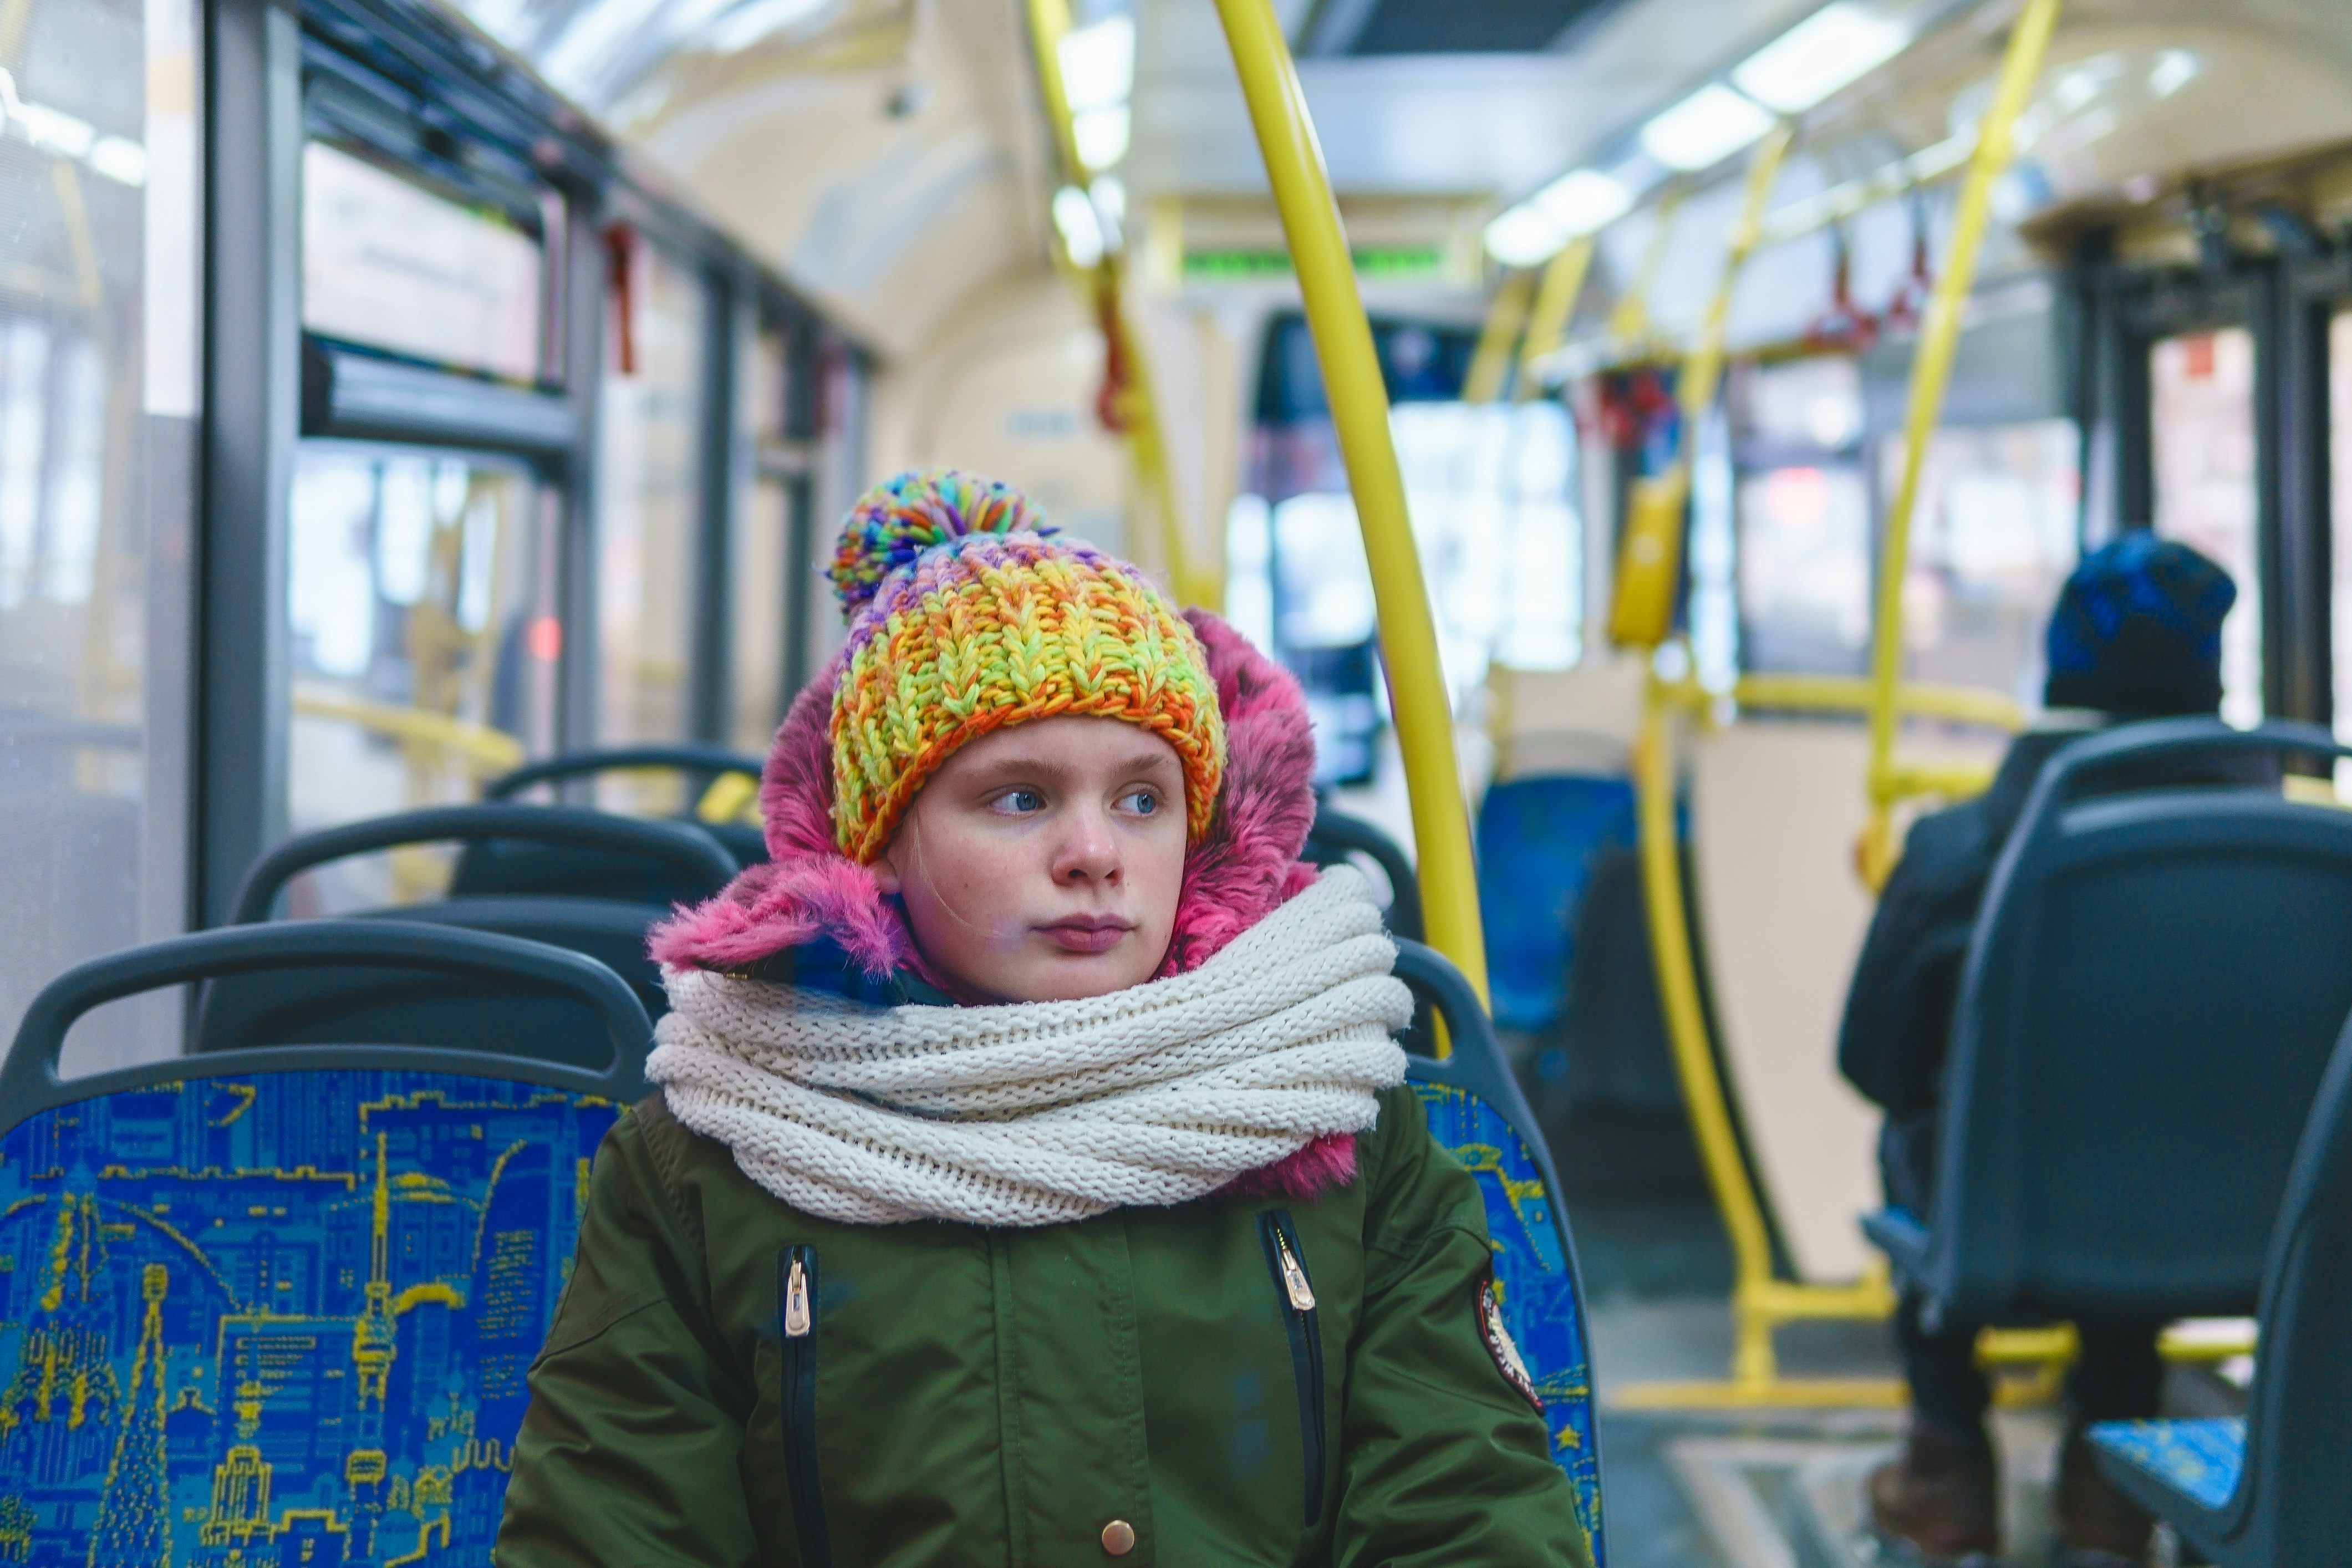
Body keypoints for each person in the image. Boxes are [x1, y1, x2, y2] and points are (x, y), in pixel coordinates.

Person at [494, 470, 1592, 1568]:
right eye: (1018, 797)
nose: (1096, 853)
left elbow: (1466, 1517)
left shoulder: (1337, 1119)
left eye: (1142, 799)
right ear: (880, 843)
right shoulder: (716, 1157)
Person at [1842, 531, 2246, 1567]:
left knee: (1922, 1131)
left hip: (2000, 1221)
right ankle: (2110, 1485)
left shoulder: (1957, 855)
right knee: (2148, 1131)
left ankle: (1945, 1462)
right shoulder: (2290, 851)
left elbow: (1872, 1065)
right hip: (2228, 1219)